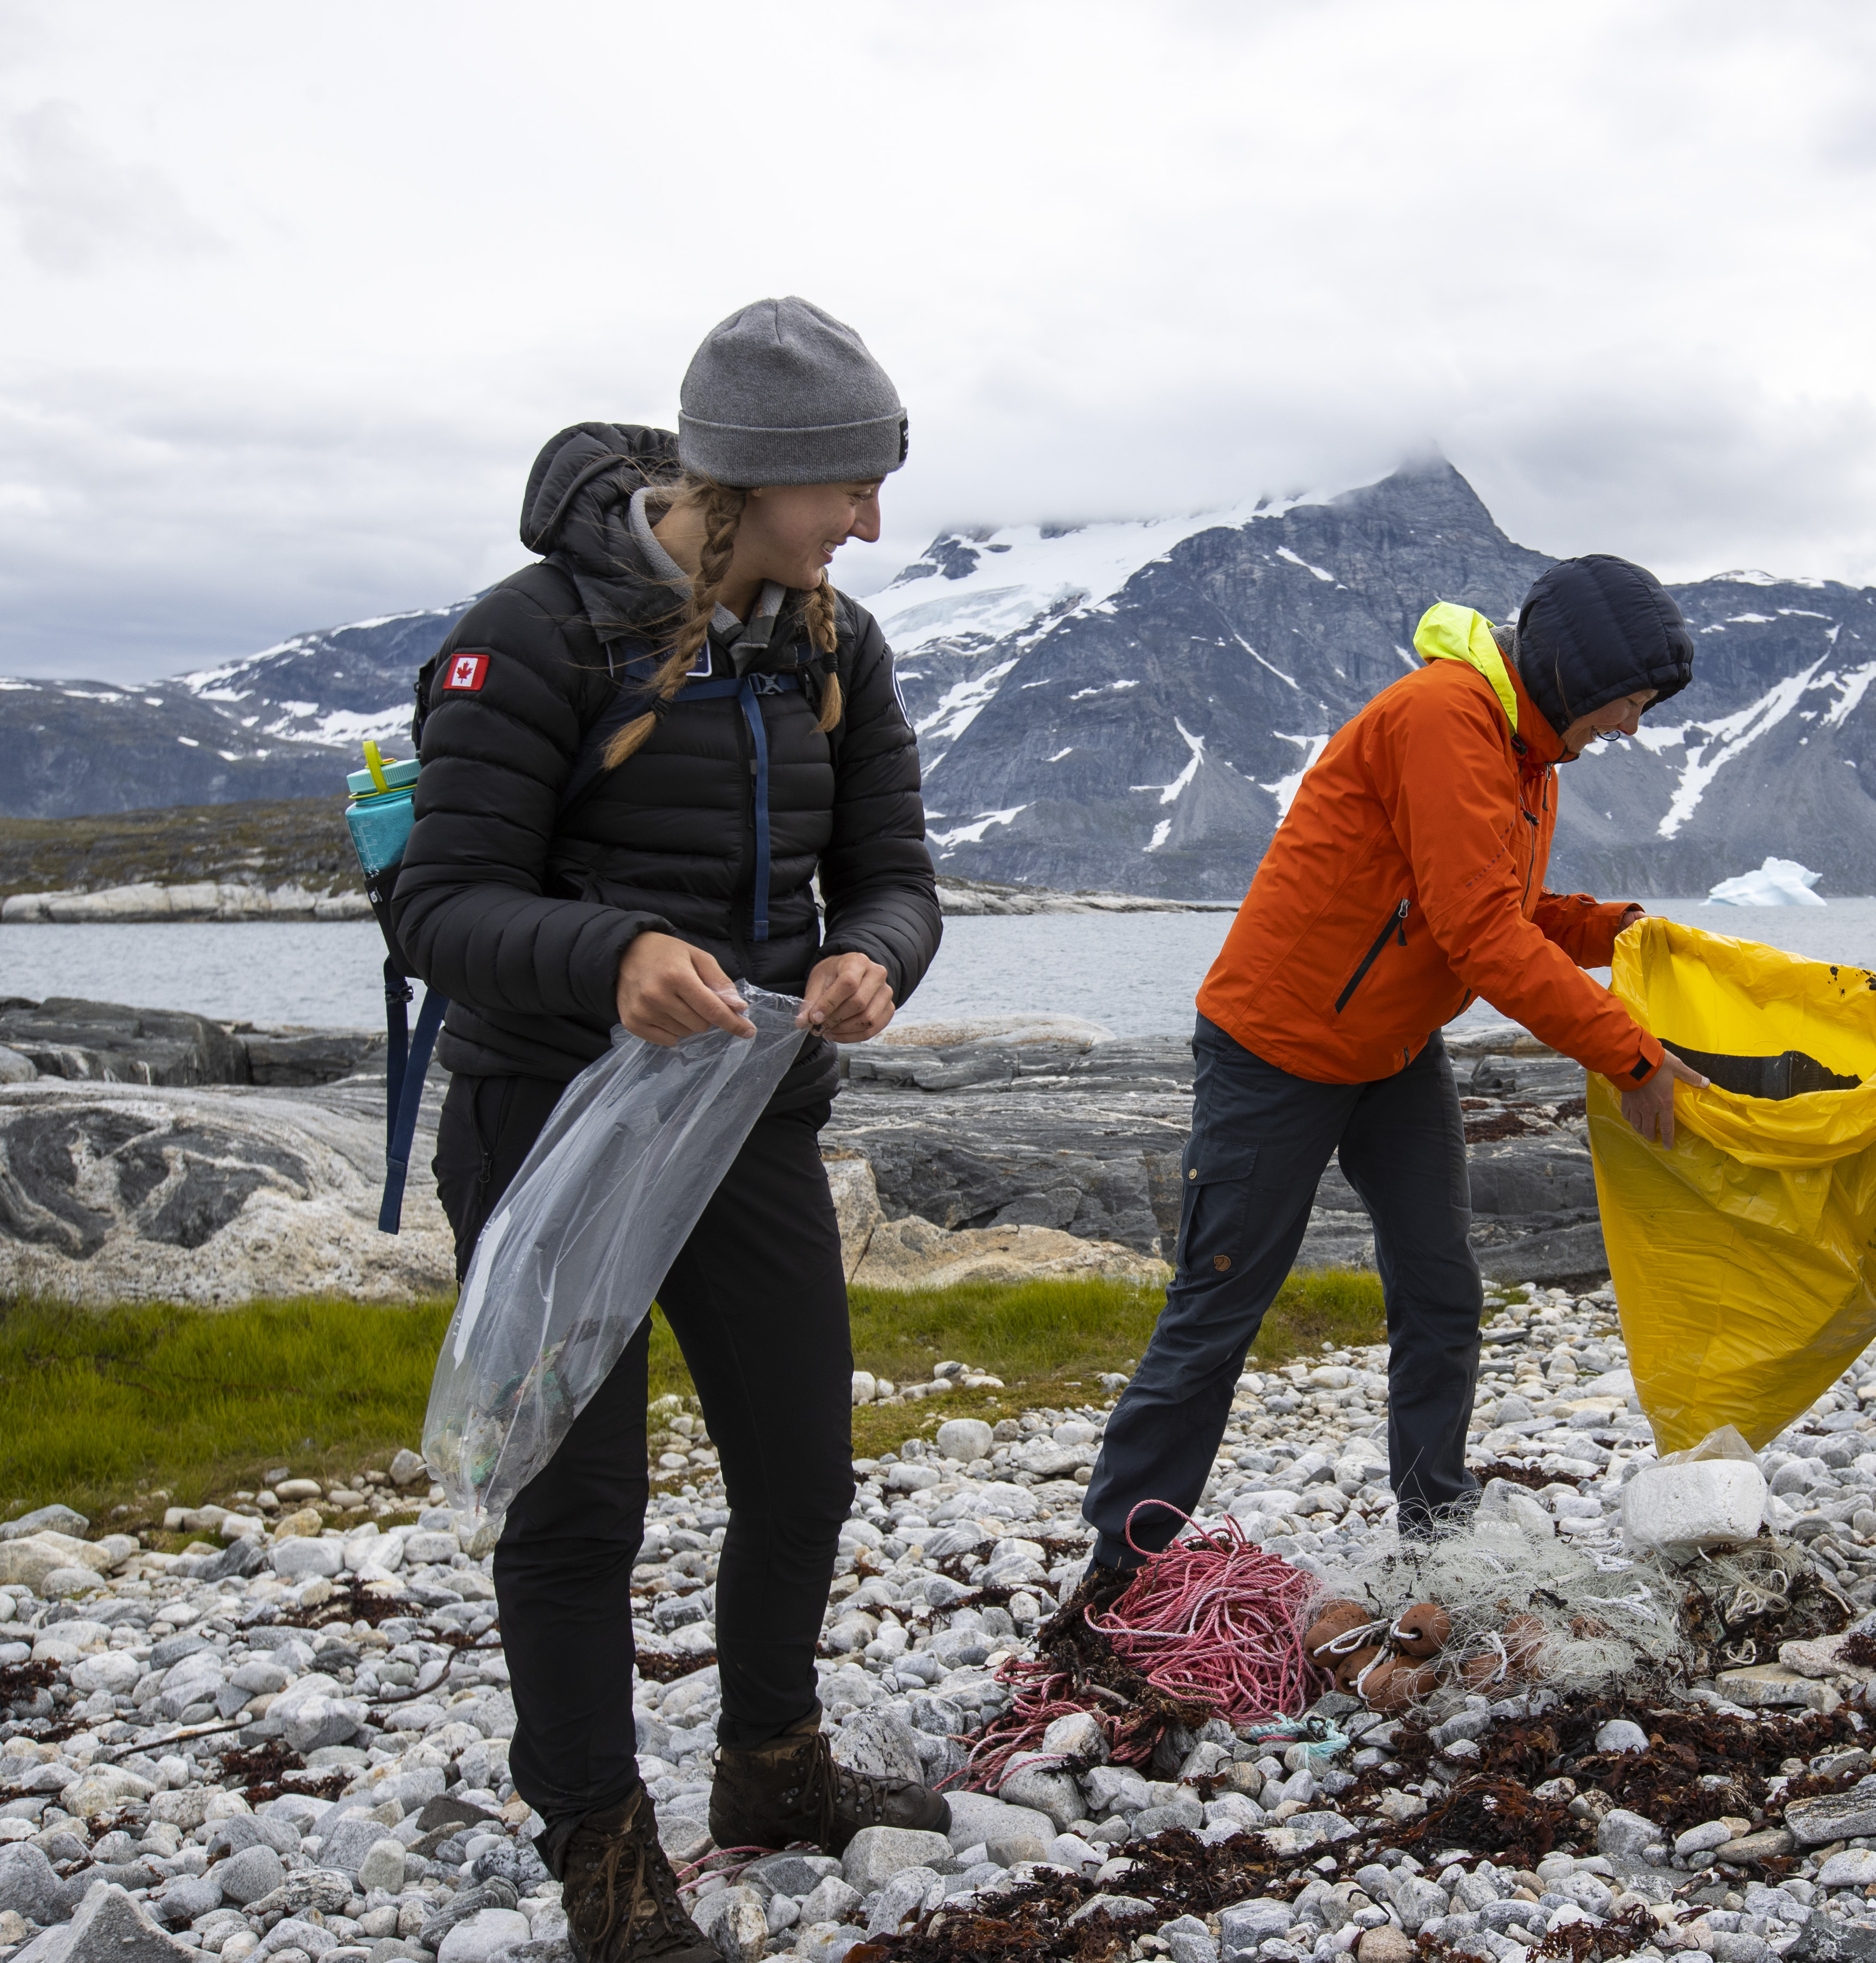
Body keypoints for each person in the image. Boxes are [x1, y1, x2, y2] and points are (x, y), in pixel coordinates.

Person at [394, 297, 947, 1963]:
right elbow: (441, 901)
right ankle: (603, 1862)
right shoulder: (541, 631)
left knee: (803, 1469)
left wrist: (873, 959)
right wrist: (613, 956)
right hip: (542, 1115)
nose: (871, 519)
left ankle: (769, 1770)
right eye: (849, 484)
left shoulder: (833, 647)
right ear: (754, 477)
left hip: (749, 1118)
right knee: (578, 1508)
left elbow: (900, 878)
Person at [1078, 557, 1709, 1570]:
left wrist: (1622, 931)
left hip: (1394, 1052)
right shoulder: (1444, 717)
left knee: (1441, 1288)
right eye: (1629, 703)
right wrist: (1636, 1060)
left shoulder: (1528, 753)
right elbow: (1478, 933)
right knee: (1219, 1308)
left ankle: (1436, 1533)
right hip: (1275, 1049)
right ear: (1578, 674)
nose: (1630, 728)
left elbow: (1494, 907)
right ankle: (1126, 1571)